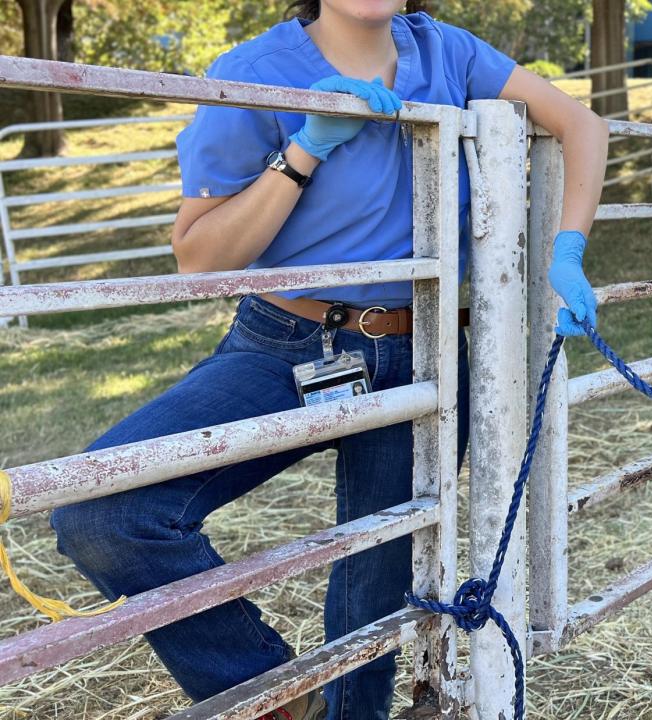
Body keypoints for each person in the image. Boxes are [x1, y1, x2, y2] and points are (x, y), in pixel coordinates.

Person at [48, 1, 608, 718]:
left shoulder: (448, 54)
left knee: (372, 605)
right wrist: (307, 146)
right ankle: (279, 693)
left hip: (423, 349)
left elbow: (582, 123)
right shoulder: (253, 75)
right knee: (103, 511)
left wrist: (569, 251)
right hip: (287, 342)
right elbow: (199, 257)